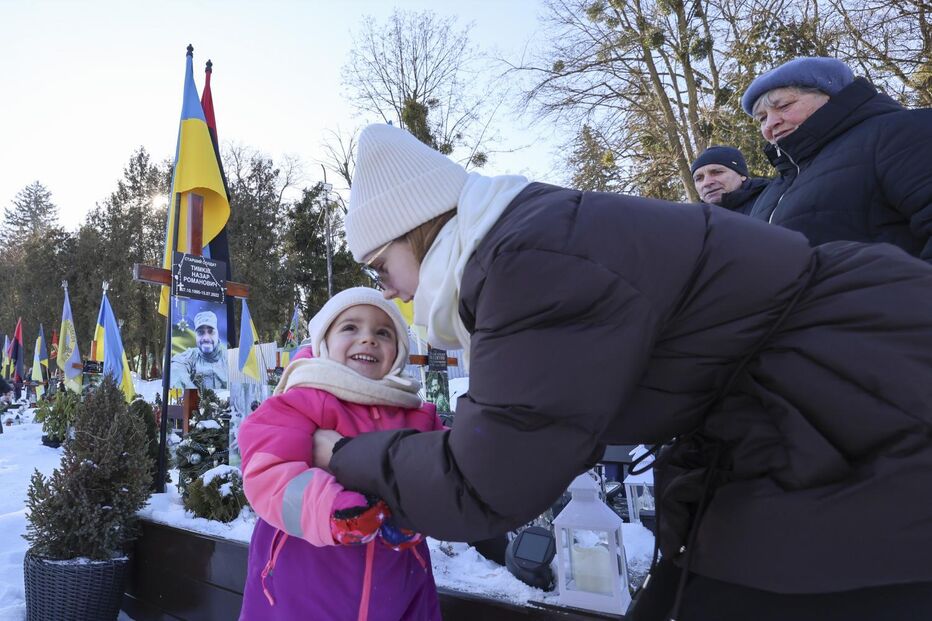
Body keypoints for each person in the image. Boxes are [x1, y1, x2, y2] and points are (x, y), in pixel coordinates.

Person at [311, 123, 932, 620]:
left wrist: (345, 453)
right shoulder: (527, 239)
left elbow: (485, 482)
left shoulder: (525, 264)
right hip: (801, 395)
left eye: (379, 266)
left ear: (414, 233)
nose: (386, 293)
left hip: (853, 395)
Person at [237, 287, 443, 621]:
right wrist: (332, 511)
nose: (368, 339)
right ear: (323, 343)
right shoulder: (300, 401)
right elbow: (270, 473)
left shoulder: (418, 414)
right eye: (350, 327)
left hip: (399, 589)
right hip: (301, 588)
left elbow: (448, 474)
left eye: (383, 332)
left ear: (399, 351)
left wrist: (420, 511)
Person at [742, 56, 932, 261]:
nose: (770, 123)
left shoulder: (899, 132)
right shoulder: (777, 187)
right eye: (762, 118)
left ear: (831, 96)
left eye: (784, 106)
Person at [690, 146, 768, 215]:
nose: (706, 183)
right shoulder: (696, 221)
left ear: (742, 175)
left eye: (717, 172)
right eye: (699, 178)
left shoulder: (772, 201)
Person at [170, 310, 228, 390]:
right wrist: (193, 394)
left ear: (217, 334)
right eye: (201, 332)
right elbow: (175, 369)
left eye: (211, 331)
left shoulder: (229, 357)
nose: (206, 338)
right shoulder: (191, 356)